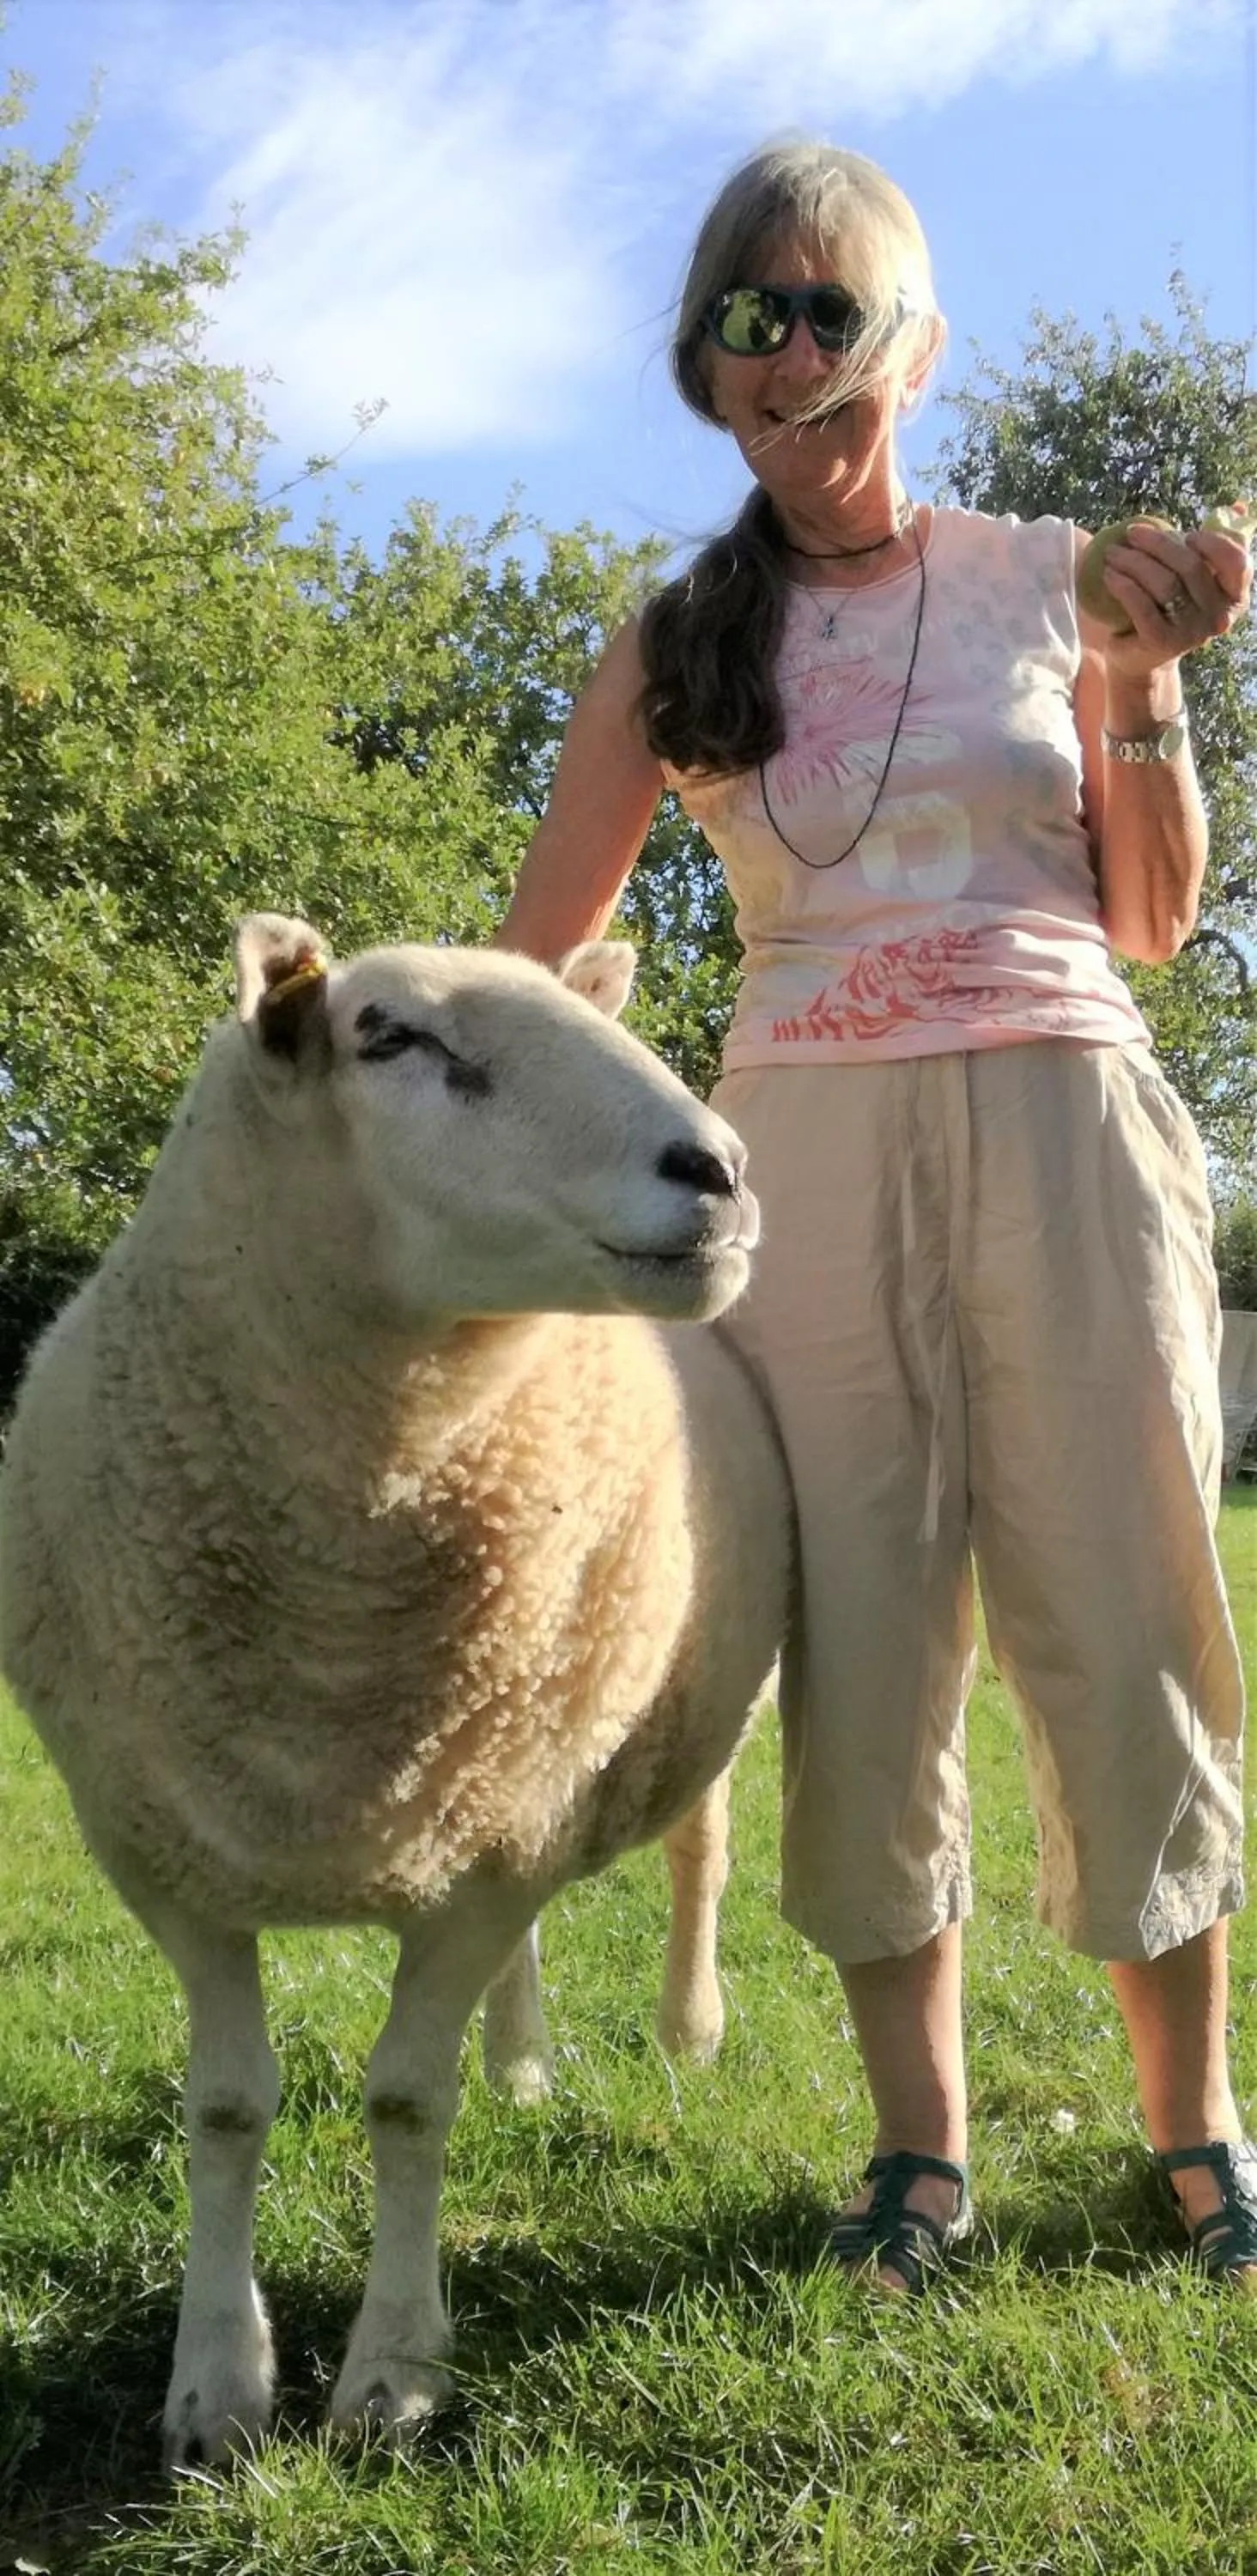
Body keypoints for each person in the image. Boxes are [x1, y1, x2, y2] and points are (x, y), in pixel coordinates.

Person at [497, 140, 1255, 2293]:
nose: (796, 352)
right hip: (798, 1167)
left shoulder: (1050, 574)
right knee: (856, 1649)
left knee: (1126, 1610)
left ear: (914, 344)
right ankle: (918, 2155)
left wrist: (1151, 676)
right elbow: (537, 966)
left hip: (1068, 1125)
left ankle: (1196, 2126)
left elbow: (1154, 921)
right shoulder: (669, 649)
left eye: (837, 312)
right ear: (704, 368)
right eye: (755, 316)